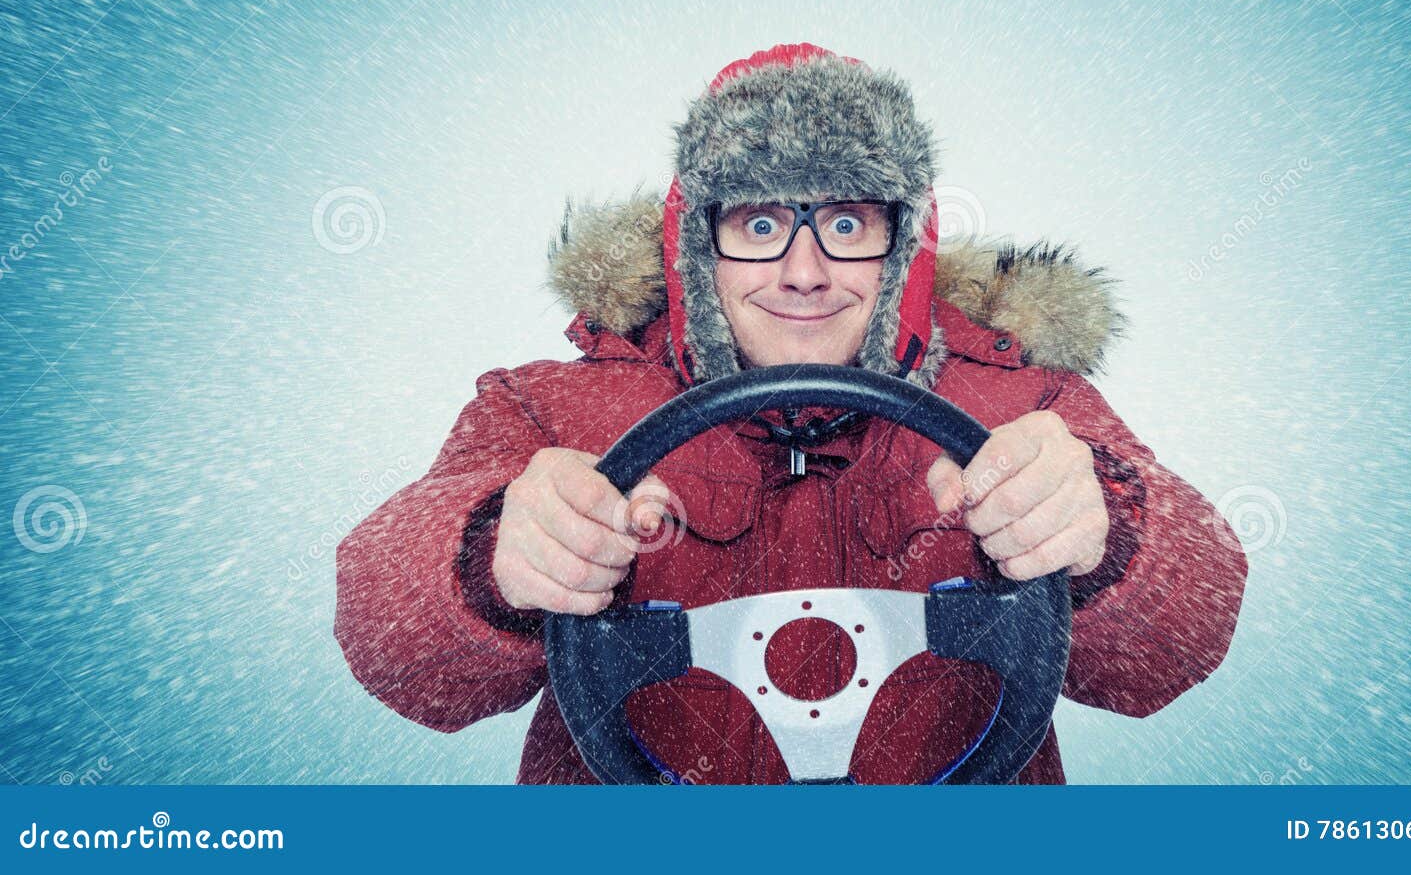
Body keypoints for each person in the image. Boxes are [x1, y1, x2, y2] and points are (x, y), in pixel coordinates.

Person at [335, 43, 1248, 784]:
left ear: (906, 247)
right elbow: (398, 656)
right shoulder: (550, 408)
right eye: (762, 224)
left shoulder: (1025, 402)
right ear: (698, 245)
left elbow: (1177, 642)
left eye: (847, 224)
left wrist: (1108, 530)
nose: (805, 270)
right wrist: (491, 555)